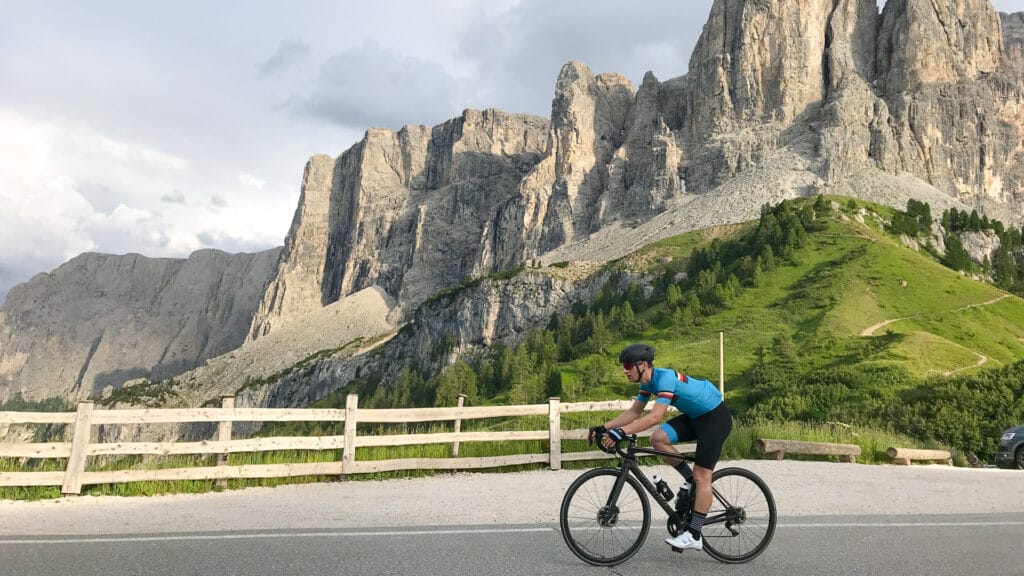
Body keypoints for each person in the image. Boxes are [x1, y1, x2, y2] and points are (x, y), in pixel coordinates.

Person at [587, 343, 733, 551]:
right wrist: (603, 427)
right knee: (658, 438)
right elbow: (634, 413)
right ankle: (690, 481)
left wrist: (622, 432)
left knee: (703, 476)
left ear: (643, 365)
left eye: (628, 366)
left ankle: (694, 534)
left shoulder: (664, 378)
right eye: (624, 366)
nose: (625, 370)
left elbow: (656, 416)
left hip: (715, 418)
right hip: (695, 417)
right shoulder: (647, 384)